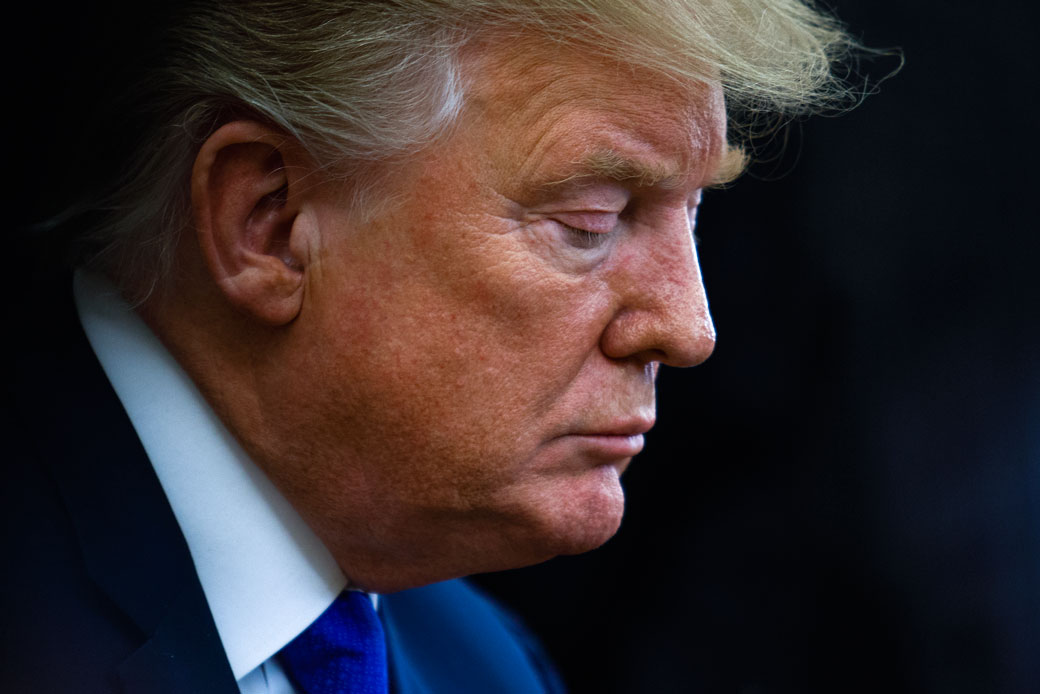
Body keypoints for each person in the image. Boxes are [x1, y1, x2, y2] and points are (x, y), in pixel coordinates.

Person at [1, 1, 856, 692]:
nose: (689, 328)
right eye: (590, 221)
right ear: (268, 223)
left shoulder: (485, 664)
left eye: (695, 216)